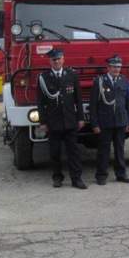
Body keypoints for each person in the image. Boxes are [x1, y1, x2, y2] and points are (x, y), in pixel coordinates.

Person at [37, 48, 87, 189]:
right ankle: (57, 178)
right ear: (50, 61)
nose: (57, 61)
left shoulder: (71, 75)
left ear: (63, 59)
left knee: (73, 152)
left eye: (59, 59)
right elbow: (40, 102)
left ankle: (76, 179)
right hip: (53, 121)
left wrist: (80, 118)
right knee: (54, 152)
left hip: (70, 120)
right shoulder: (44, 78)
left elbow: (78, 98)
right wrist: (42, 122)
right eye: (54, 59)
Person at [89, 55, 129, 185]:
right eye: (114, 67)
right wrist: (94, 123)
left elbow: (128, 103)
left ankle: (121, 174)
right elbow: (93, 104)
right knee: (104, 150)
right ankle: (101, 175)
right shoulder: (99, 81)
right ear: (108, 68)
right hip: (105, 122)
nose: (117, 69)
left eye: (119, 67)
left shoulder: (123, 81)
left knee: (120, 149)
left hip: (120, 121)